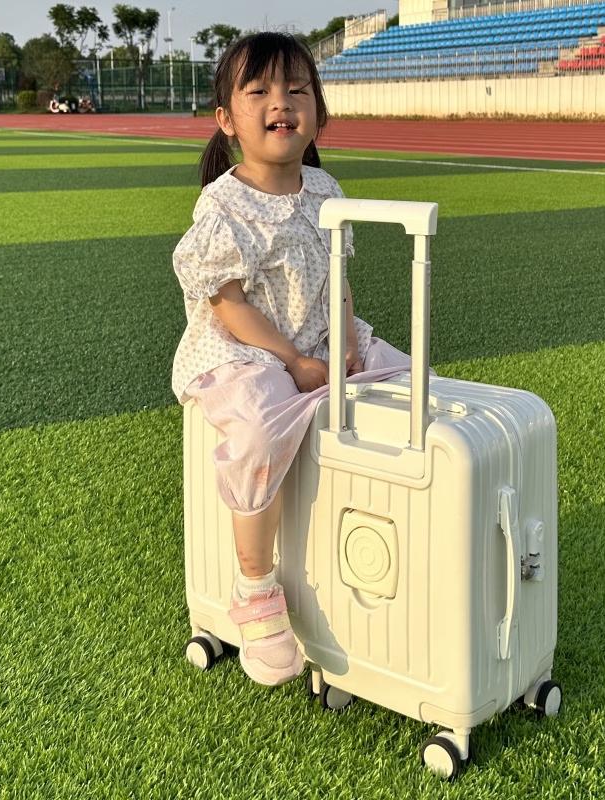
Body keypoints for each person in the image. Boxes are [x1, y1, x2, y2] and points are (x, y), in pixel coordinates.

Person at [171, 32, 412, 688]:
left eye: (297, 90)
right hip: (243, 349)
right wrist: (293, 362)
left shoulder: (324, 186)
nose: (282, 102)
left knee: (406, 379)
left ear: (318, 113)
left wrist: (352, 346)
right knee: (257, 425)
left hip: (319, 335)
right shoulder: (223, 202)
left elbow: (337, 278)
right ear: (226, 122)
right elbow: (229, 307)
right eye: (260, 92)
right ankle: (255, 587)